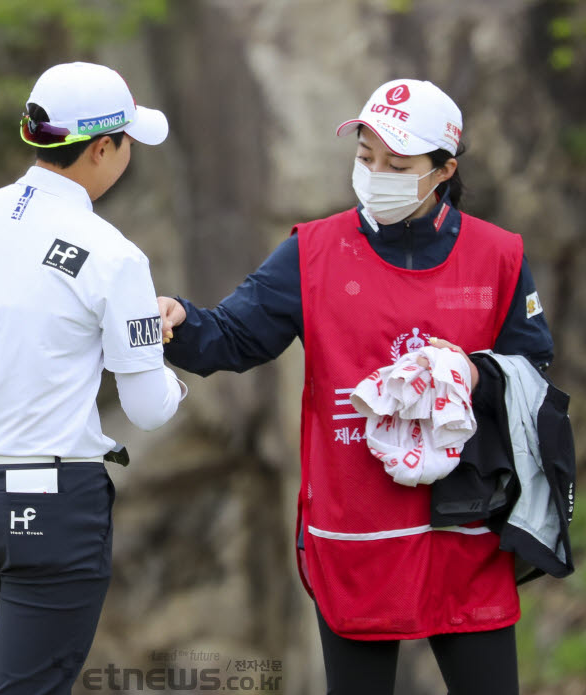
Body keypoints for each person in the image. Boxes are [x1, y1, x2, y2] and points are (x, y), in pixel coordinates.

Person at [158, 79, 554, 695]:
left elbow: (534, 366)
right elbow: (233, 338)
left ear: (444, 169)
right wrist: (179, 324)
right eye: (365, 158)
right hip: (356, 530)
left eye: (398, 165)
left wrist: (470, 373)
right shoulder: (311, 252)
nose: (376, 175)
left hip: (466, 530)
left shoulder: (497, 256)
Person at [0, 62, 186, 694]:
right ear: (103, 147)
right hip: (54, 509)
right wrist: (162, 354)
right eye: (128, 141)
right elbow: (148, 409)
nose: (128, 152)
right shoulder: (114, 255)